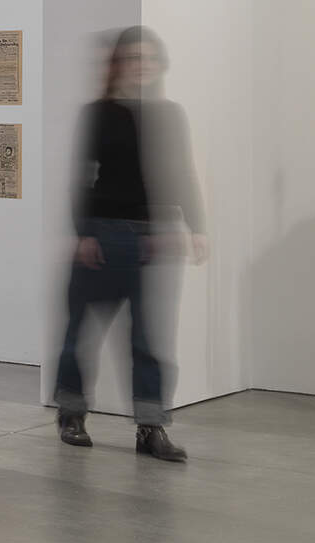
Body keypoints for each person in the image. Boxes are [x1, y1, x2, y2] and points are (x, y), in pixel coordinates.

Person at [54, 26, 207, 462]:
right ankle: (71, 414)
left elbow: (182, 170)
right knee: (81, 332)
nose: (141, 66)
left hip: (153, 239)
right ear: (119, 64)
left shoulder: (169, 114)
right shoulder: (97, 113)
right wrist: (81, 232)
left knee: (149, 339)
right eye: (133, 58)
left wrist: (195, 226)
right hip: (103, 233)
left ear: (160, 65)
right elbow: (80, 175)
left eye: (149, 59)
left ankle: (150, 428)